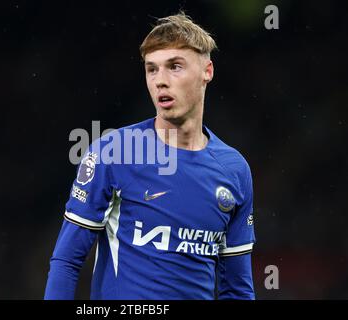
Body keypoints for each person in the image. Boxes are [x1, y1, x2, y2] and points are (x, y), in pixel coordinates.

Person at [44, 11, 255, 300]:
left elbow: (238, 288)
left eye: (175, 67)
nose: (160, 81)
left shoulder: (234, 170)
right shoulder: (114, 153)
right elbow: (67, 261)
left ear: (207, 71)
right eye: (151, 69)